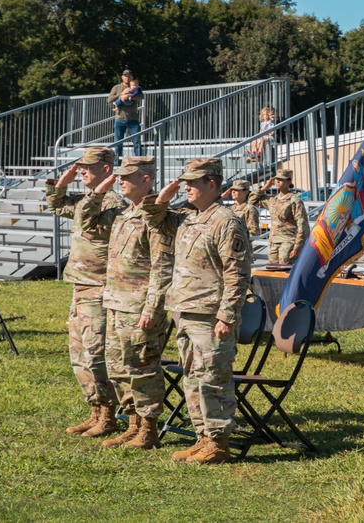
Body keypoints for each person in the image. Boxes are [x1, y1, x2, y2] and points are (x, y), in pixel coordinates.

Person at [150, 158, 251, 465]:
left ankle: (218, 443)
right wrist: (165, 195)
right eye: (185, 182)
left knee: (213, 378)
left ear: (213, 184)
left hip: (210, 315)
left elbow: (238, 274)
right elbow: (152, 217)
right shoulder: (187, 218)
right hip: (186, 311)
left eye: (193, 182)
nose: (187, 187)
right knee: (192, 377)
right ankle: (203, 437)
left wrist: (226, 315)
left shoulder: (226, 221)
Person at [81, 156, 173, 449]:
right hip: (116, 303)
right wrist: (98, 191)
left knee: (142, 368)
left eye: (126, 176)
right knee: (119, 368)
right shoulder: (122, 214)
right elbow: (85, 220)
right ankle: (133, 424)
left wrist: (152, 308)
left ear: (146, 179)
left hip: (140, 307)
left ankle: (148, 430)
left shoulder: (155, 216)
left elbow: (162, 267)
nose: (119, 181)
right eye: (117, 176)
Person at [44, 147, 124, 437]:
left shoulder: (113, 204)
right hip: (81, 286)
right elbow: (56, 204)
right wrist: (65, 179)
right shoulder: (83, 200)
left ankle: (109, 413)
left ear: (106, 169)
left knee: (96, 353)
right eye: (80, 167)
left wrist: (94, 192)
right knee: (79, 354)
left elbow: (90, 218)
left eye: (88, 167)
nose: (82, 171)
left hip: (99, 287)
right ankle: (95, 409)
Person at [249, 169, 309, 265]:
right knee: (273, 268)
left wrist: (297, 246)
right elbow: (252, 200)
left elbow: (303, 225)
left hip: (288, 241)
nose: (277, 181)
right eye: (276, 179)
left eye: (281, 179)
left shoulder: (294, 201)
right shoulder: (273, 199)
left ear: (289, 181)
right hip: (274, 241)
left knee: (285, 267)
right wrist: (264, 187)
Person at [107, 69, 144, 161]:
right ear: (122, 77)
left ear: (132, 77)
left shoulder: (135, 86)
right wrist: (121, 94)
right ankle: (117, 161)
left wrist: (128, 96)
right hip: (120, 119)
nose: (127, 78)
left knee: (136, 141)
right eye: (125, 76)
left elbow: (141, 96)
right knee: (118, 142)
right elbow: (110, 99)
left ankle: (139, 160)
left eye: (129, 76)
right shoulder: (116, 87)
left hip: (133, 119)